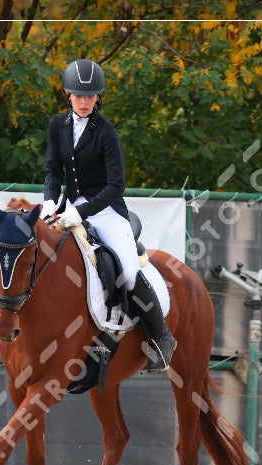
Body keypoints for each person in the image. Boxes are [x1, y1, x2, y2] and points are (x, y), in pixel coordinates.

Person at [41, 58, 177, 372]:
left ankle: (161, 338)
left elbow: (116, 186)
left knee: (128, 272)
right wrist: (50, 203)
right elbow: (52, 170)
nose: (85, 101)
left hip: (105, 210)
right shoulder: (57, 125)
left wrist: (81, 212)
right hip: (67, 207)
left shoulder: (106, 132)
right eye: (78, 95)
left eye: (90, 96)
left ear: (99, 97)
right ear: (67, 94)